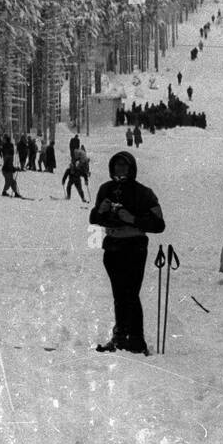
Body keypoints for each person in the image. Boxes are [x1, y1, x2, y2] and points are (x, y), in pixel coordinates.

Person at [90, 151, 165, 354]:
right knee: (119, 294)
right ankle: (120, 337)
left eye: (124, 166)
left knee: (131, 293)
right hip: (112, 247)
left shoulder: (143, 192)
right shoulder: (106, 189)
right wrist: (102, 211)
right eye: (117, 166)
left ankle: (137, 340)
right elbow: (93, 217)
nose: (120, 169)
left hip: (134, 247)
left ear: (131, 168)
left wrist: (131, 218)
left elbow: (159, 224)